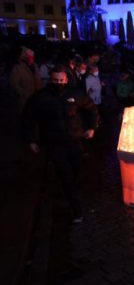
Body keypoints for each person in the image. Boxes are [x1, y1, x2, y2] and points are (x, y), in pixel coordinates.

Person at [22, 65, 99, 223]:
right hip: (54, 142)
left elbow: (91, 109)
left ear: (66, 79)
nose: (59, 83)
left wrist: (91, 127)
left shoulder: (75, 93)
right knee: (65, 174)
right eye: (55, 80)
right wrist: (31, 140)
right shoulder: (40, 97)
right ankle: (77, 210)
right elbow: (28, 119)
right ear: (50, 80)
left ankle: (67, 190)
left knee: (76, 168)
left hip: (74, 140)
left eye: (61, 80)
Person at [10, 47, 43, 115]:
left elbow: (39, 79)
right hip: (25, 99)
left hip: (37, 98)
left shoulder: (35, 66)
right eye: (29, 55)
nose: (31, 57)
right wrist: (23, 93)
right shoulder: (17, 68)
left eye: (32, 56)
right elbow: (14, 84)